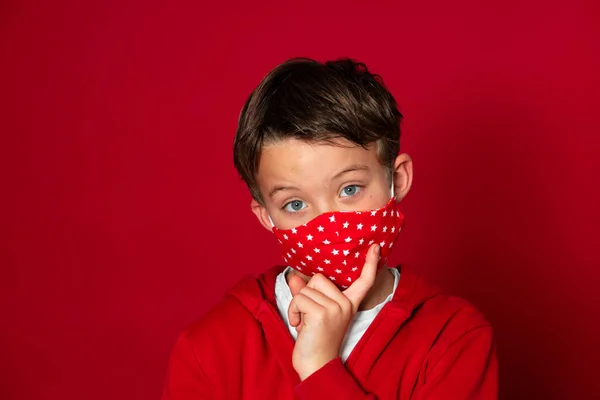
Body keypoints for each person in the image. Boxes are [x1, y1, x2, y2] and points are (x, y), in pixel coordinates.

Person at [161, 58, 498, 399]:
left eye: (349, 189)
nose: (328, 223)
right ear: (266, 216)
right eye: (295, 204)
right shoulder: (211, 347)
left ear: (397, 179)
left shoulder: (453, 339)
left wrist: (320, 369)